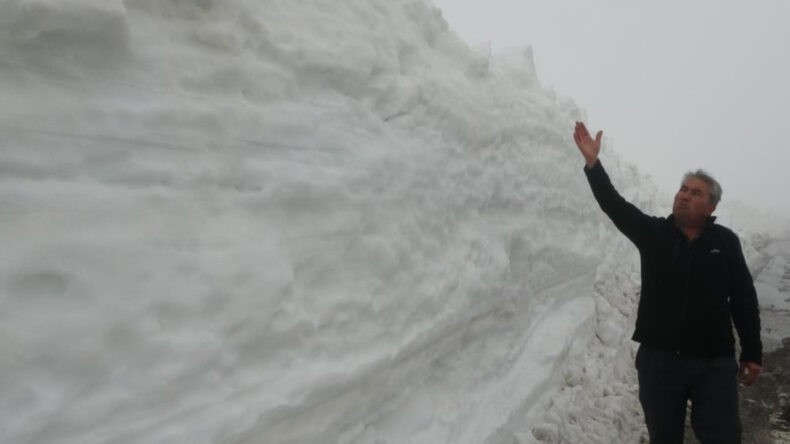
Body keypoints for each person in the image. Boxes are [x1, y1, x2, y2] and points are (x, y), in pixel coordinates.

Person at [572, 121, 762, 443]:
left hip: (714, 362)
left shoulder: (725, 242)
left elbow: (743, 298)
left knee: (723, 436)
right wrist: (593, 164)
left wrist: (753, 352)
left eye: (695, 193)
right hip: (659, 362)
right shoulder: (654, 234)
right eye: (683, 190)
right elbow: (614, 205)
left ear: (711, 206)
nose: (684, 196)